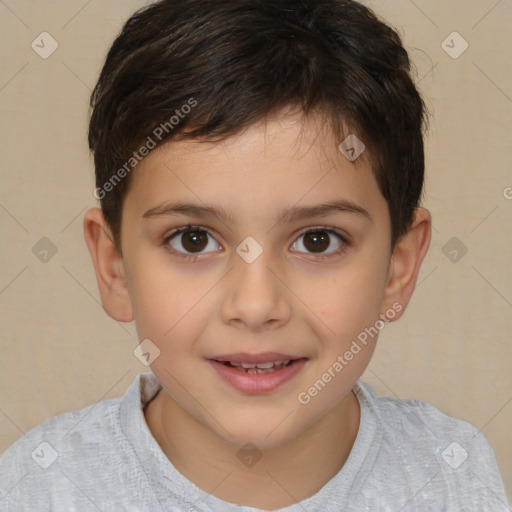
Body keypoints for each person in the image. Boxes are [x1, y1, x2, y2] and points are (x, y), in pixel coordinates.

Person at [1, 0, 509, 510]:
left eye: (318, 240)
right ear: (115, 268)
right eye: (193, 239)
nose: (256, 305)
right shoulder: (39, 487)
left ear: (399, 268)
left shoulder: (452, 474)